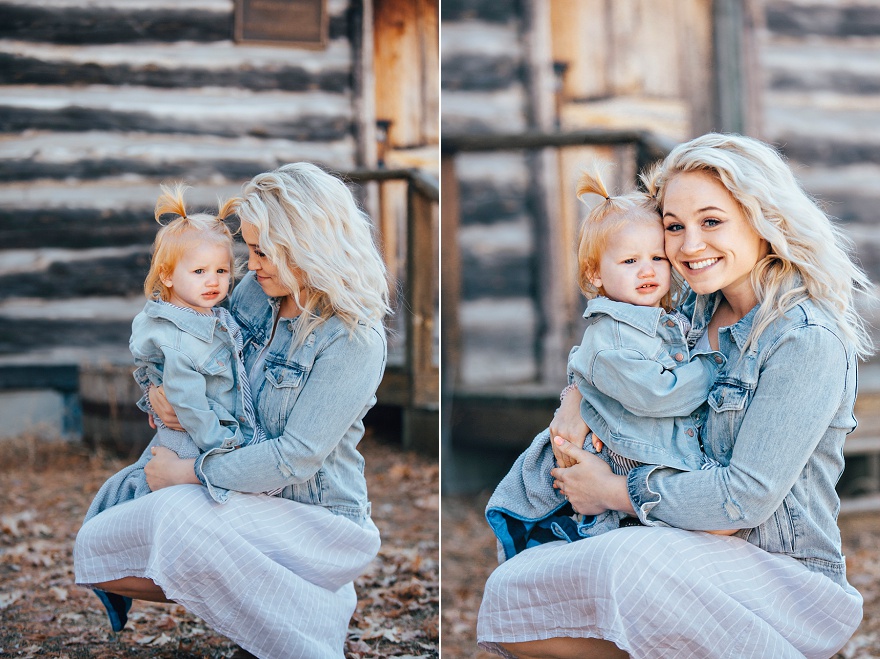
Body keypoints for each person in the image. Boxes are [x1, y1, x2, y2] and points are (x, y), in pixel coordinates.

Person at [477, 133, 871, 658]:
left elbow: (743, 500)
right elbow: (613, 356)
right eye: (674, 226)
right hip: (686, 542)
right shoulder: (692, 311)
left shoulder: (804, 340)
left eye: (711, 222)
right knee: (515, 591)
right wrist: (574, 397)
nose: (688, 247)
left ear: (762, 219)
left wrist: (614, 491)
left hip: (783, 571)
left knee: (627, 568)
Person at [75, 163, 390, 659]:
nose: (250, 263)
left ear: (306, 245)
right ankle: (284, 607)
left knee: (176, 517)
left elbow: (294, 458)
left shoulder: (353, 340)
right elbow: (184, 343)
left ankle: (299, 607)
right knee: (98, 540)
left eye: (263, 251)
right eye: (248, 247)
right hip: (242, 498)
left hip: (318, 518)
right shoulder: (252, 296)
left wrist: (189, 472)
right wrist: (155, 387)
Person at [485, 169, 727, 559]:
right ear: (595, 273)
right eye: (630, 260)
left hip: (657, 462)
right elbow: (656, 393)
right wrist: (716, 366)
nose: (647, 270)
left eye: (657, 258)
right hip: (626, 461)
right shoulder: (611, 337)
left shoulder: (666, 318)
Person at [83, 184, 277, 631]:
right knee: (203, 509)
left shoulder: (204, 314)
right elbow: (188, 401)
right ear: (168, 276)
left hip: (197, 428)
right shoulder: (178, 336)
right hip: (196, 435)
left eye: (223, 271)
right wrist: (224, 445)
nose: (214, 282)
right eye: (200, 271)